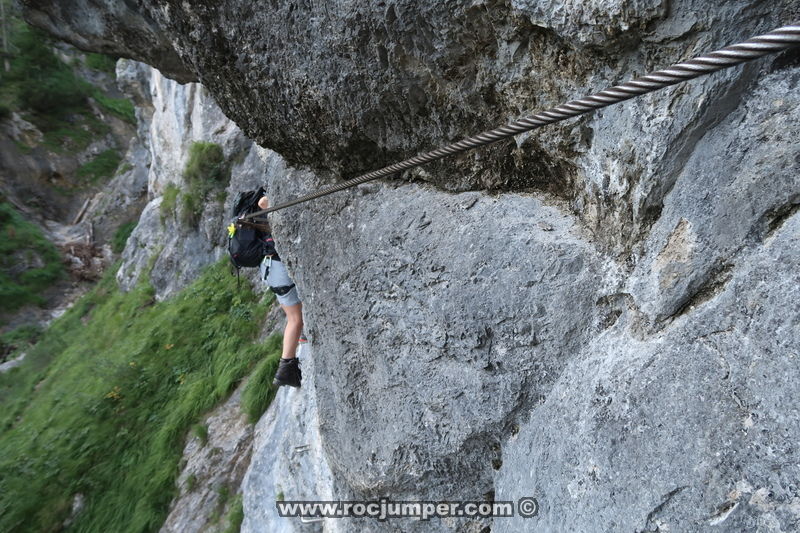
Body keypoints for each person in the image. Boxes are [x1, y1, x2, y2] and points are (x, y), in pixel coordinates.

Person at [257, 194, 303, 388]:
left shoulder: (266, 207)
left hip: (269, 268)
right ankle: (286, 368)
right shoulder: (272, 202)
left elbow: (261, 203)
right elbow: (263, 202)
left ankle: (302, 337)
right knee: (295, 319)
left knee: (294, 311)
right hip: (278, 268)